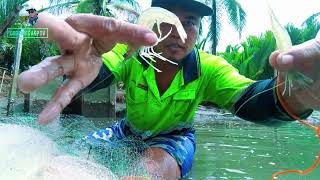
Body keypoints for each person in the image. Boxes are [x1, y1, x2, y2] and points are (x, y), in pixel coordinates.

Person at [17, 0, 320, 178]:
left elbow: (252, 100)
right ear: (150, 25)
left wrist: (300, 93)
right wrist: (83, 61)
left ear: (199, 30)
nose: (177, 33)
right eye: (167, 21)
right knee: (64, 157)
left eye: (189, 22)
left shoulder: (209, 68)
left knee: (150, 170)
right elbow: (99, 71)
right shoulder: (129, 52)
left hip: (174, 137)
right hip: (127, 130)